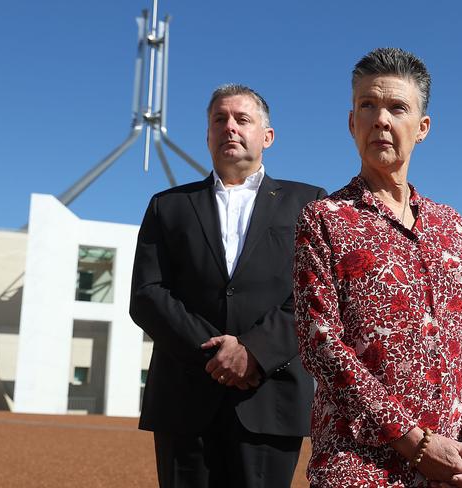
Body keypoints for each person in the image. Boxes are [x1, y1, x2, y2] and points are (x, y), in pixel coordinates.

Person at [293, 48, 462, 488]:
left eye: (397, 107)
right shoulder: (325, 218)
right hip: (359, 468)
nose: (381, 120)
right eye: (367, 106)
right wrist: (415, 443)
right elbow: (321, 344)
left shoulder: (452, 225)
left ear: (422, 128)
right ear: (352, 123)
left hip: (458, 470)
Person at [130, 84, 326, 488]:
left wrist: (254, 351)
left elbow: (317, 296)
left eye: (242, 119)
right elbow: (147, 294)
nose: (229, 127)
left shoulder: (310, 204)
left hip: (269, 398)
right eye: (219, 119)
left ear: (267, 136)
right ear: (207, 136)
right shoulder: (167, 206)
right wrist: (218, 354)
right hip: (185, 398)